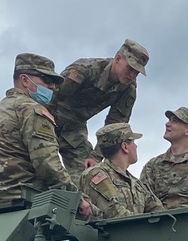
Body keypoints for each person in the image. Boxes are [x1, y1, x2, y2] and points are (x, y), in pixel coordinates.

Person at [0, 53, 91, 216]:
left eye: (55, 83)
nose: (52, 87)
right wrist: (79, 199)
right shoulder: (32, 110)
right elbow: (48, 165)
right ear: (24, 80)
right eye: (47, 80)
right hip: (25, 203)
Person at [49, 39, 150, 175]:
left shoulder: (128, 89)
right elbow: (52, 97)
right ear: (118, 58)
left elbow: (114, 128)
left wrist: (96, 156)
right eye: (130, 68)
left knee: (89, 174)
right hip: (48, 119)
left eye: (136, 72)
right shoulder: (86, 70)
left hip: (73, 131)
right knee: (42, 164)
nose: (132, 75)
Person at [79, 123, 164, 219]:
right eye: (133, 142)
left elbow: (160, 213)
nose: (136, 147)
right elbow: (114, 213)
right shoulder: (97, 174)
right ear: (125, 147)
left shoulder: (136, 184)